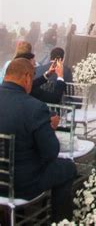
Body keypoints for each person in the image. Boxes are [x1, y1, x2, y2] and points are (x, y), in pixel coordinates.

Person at [0, 58, 76, 222]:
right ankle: (60, 222)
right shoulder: (34, 108)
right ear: (27, 77)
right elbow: (51, 152)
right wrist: (50, 128)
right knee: (68, 167)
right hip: (21, 185)